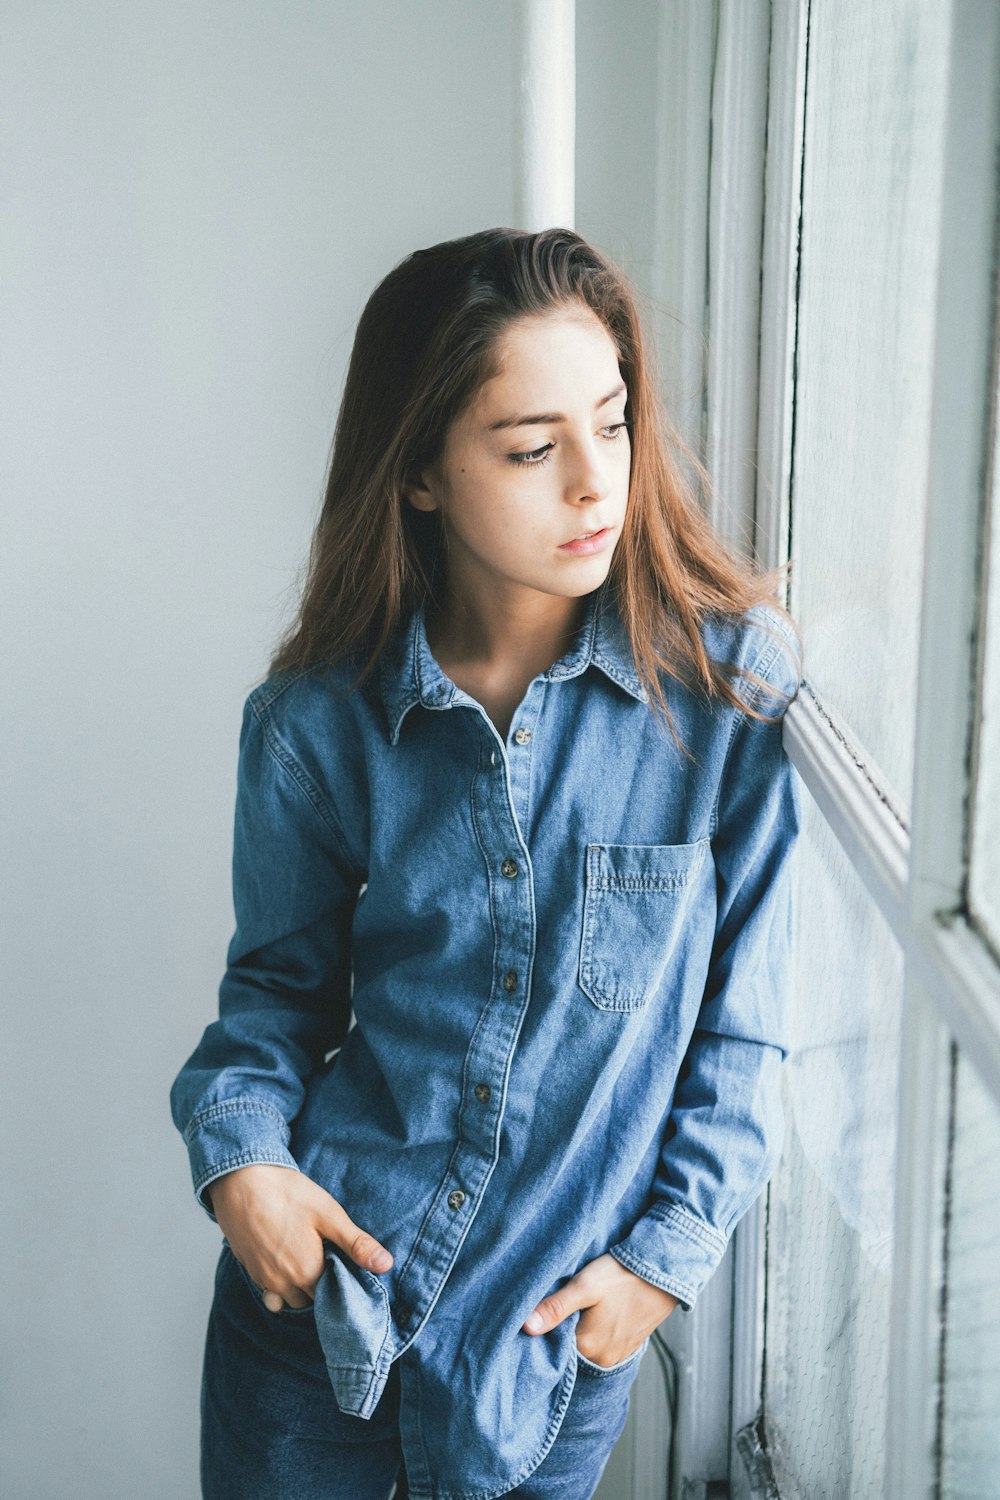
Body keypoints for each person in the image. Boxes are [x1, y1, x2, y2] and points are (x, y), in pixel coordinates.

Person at [170, 226, 804, 1500]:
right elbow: (271, 1009)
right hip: (316, 1327)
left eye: (612, 423)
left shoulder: (729, 692)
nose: (592, 483)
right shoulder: (315, 725)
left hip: (549, 1354)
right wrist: (243, 1165)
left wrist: (659, 1265)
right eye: (530, 447)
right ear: (418, 475)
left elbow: (748, 1029)